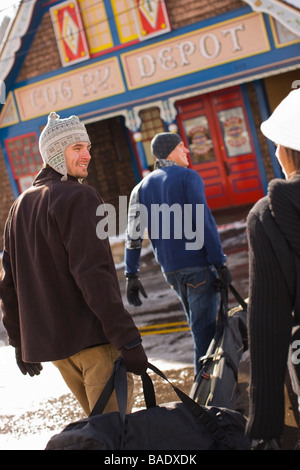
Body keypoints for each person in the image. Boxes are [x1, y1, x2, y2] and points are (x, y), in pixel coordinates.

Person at [0, 111, 147, 416]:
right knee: (116, 437)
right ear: (55, 153)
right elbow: (93, 275)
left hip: (60, 351)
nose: (88, 155)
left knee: (100, 435)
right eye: (77, 148)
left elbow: (8, 283)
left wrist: (19, 340)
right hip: (94, 344)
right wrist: (128, 339)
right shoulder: (79, 197)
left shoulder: (19, 207)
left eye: (88, 147)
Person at [124, 132, 231, 374]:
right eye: (183, 146)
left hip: (171, 272)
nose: (187, 151)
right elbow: (204, 223)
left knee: (199, 326)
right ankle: (204, 395)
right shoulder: (188, 177)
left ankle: (210, 386)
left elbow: (133, 234)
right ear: (171, 150)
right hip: (198, 267)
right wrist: (220, 263)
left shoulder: (140, 188)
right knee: (204, 332)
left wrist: (132, 274)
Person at [245, 88, 300, 449]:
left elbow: (267, 323)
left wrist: (264, 422)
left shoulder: (268, 215)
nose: (277, 152)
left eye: (278, 143)